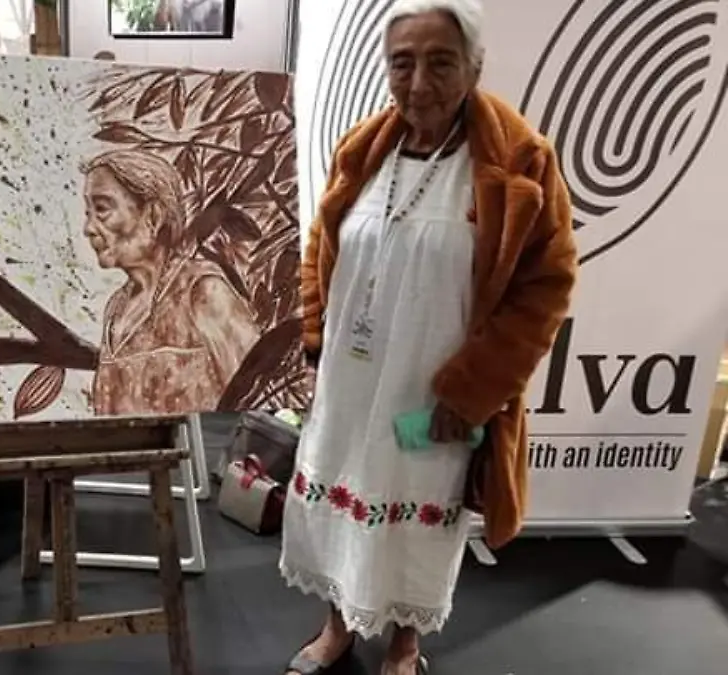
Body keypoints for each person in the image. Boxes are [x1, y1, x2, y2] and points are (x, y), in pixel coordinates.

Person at [281, 1, 577, 674]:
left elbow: (546, 286)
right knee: (338, 495)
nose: (418, 83)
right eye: (402, 63)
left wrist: (474, 391)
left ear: (474, 65)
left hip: (436, 388)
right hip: (350, 378)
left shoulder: (520, 161)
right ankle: (337, 625)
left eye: (440, 62)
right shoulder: (364, 148)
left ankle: (404, 644)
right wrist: (314, 336)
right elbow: (321, 242)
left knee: (420, 515)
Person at [80, 149, 260, 415]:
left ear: (153, 215)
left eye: (102, 209)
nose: (88, 228)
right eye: (88, 212)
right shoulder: (115, 310)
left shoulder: (202, 292)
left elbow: (257, 401)